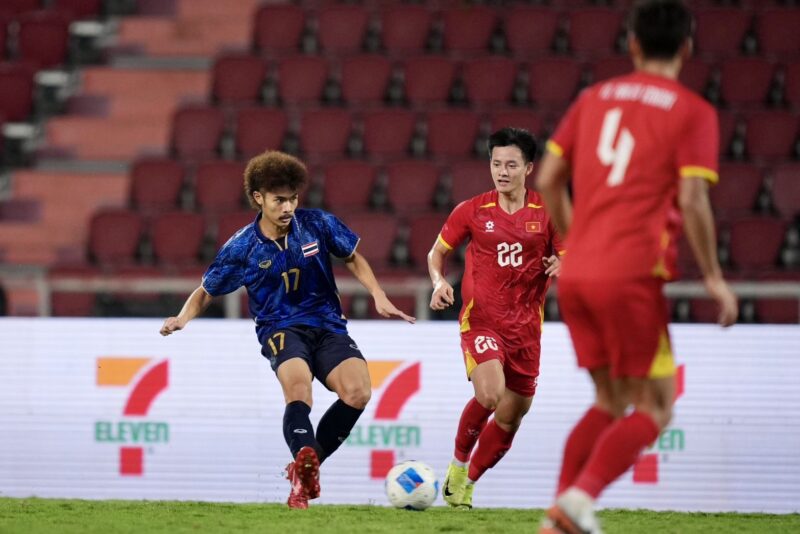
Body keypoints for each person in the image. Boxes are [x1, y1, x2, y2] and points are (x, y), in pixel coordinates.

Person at [535, 1, 738, 532]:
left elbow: (548, 178)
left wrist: (579, 240)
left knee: (610, 399)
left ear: (633, 45)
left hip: (579, 273)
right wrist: (714, 278)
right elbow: (692, 199)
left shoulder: (592, 98)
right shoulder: (693, 111)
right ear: (687, 48)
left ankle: (558, 518)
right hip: (630, 275)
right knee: (657, 406)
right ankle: (579, 500)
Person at [160, 151, 415, 509]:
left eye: (293, 198)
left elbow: (352, 257)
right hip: (280, 328)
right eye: (279, 200)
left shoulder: (318, 224)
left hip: (327, 324)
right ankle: (304, 465)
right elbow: (206, 291)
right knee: (299, 391)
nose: (288, 207)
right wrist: (182, 318)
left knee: (358, 392)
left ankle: (304, 470)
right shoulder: (243, 246)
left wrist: (378, 294)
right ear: (258, 198)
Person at [428, 127, 564, 509]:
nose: (502, 172)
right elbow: (436, 254)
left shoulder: (549, 212)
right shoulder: (472, 210)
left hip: (526, 331)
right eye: (496, 163)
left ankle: (467, 484)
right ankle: (458, 465)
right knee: (489, 393)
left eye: (511, 165)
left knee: (510, 417)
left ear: (529, 168)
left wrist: (563, 264)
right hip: (482, 321)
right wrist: (439, 282)